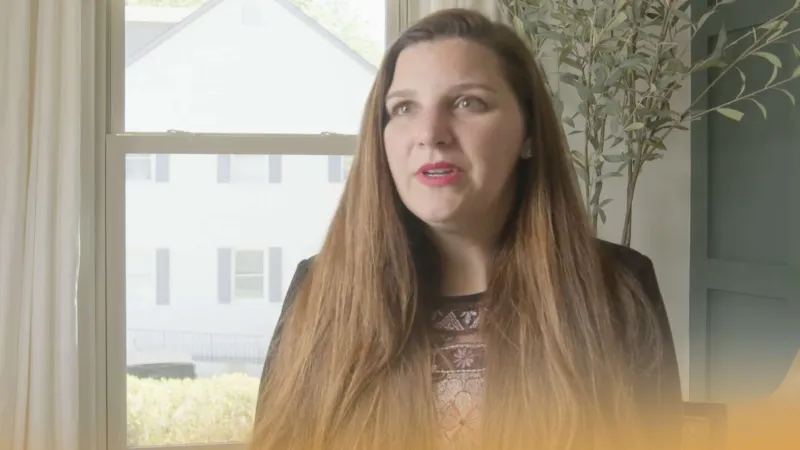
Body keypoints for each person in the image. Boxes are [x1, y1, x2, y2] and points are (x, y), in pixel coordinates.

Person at [250, 7, 682, 450]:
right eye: (403, 108)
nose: (431, 133)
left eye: (467, 102)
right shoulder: (321, 291)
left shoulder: (620, 288)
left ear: (528, 133)